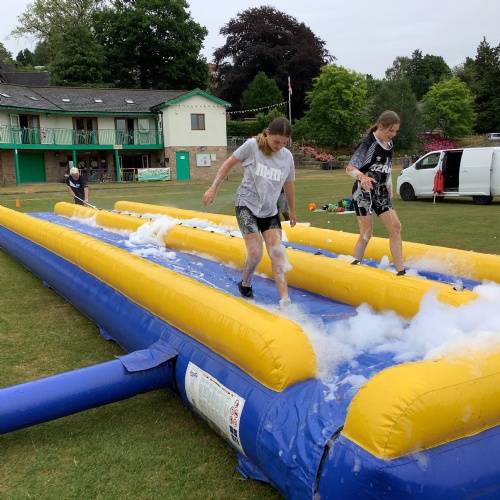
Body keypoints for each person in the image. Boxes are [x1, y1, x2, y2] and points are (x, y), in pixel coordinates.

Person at [202, 117, 296, 307]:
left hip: (269, 210)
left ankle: (285, 301)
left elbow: (288, 184)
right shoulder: (252, 146)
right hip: (247, 205)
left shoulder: (287, 157)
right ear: (267, 134)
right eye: (276, 141)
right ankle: (245, 284)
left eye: (284, 143)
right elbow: (228, 164)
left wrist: (291, 210)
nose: (279, 146)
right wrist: (213, 188)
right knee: (255, 254)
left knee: (277, 253)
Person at [345, 110, 405, 275]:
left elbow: (387, 167)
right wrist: (362, 177)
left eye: (395, 131)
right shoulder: (368, 144)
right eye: (390, 130)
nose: (393, 134)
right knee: (366, 233)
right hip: (363, 192)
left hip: (380, 192)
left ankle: (401, 271)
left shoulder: (389, 145)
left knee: (396, 227)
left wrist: (389, 185)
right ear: (380, 126)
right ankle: (354, 267)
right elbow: (350, 167)